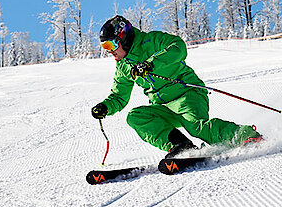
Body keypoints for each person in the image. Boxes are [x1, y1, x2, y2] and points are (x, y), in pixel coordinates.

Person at [90, 15, 263, 158]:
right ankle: (181, 146)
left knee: (197, 127)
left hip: (187, 94)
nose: (109, 51)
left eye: (111, 45)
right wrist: (106, 107)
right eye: (105, 47)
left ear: (124, 38)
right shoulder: (123, 66)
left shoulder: (151, 41)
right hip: (163, 106)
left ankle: (246, 136)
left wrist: (151, 64)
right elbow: (119, 95)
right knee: (136, 117)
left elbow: (178, 47)